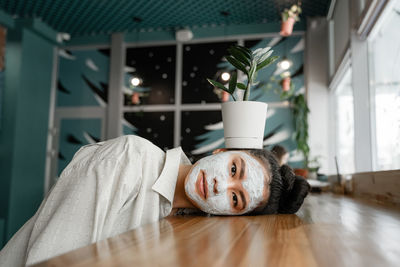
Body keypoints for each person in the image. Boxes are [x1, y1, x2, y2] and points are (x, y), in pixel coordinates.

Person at [0, 135, 310, 266]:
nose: (220, 184)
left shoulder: (189, 219)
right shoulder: (128, 157)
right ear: (220, 152)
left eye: (235, 197)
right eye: (233, 169)